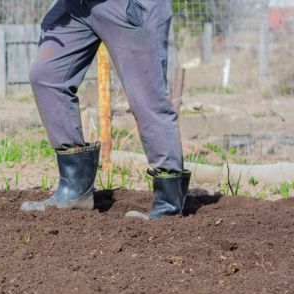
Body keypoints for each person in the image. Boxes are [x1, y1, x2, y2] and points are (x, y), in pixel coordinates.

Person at [21, 0, 190, 220]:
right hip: (77, 6)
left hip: (126, 5)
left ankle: (169, 204)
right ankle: (74, 189)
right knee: (47, 75)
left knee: (146, 96)